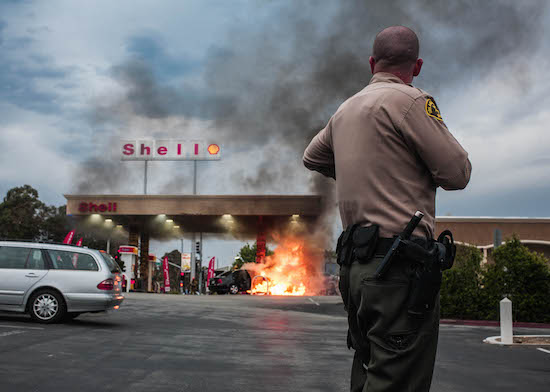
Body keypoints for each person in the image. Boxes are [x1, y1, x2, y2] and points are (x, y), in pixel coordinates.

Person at [303, 26, 471, 392]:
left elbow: (312, 156)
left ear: (371, 62)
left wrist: (354, 170)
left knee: (367, 371)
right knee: (398, 378)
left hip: (356, 271)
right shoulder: (411, 102)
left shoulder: (346, 109)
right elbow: (458, 173)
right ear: (418, 65)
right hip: (398, 272)